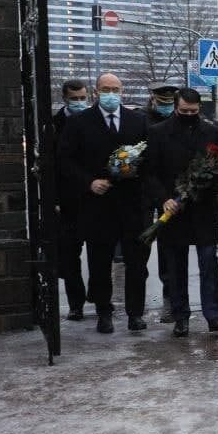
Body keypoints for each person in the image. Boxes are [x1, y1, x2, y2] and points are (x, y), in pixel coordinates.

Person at [57, 72, 151, 333]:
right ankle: (103, 311)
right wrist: (89, 182)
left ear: (122, 91)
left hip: (131, 203)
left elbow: (149, 157)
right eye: (106, 89)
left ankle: (135, 313)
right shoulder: (80, 122)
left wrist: (137, 173)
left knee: (136, 262)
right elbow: (65, 160)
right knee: (99, 262)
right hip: (97, 204)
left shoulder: (137, 121)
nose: (111, 94)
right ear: (97, 92)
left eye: (116, 89)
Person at [143, 88, 218, 337]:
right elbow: (150, 173)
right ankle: (181, 316)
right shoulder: (158, 133)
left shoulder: (211, 131)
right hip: (174, 209)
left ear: (199, 109)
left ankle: (213, 315)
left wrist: (212, 185)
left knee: (209, 262)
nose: (189, 115)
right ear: (176, 108)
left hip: (203, 208)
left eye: (193, 111)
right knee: (176, 265)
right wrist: (164, 199)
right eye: (183, 111)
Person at [53, 80, 90, 320]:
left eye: (82, 97)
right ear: (65, 98)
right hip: (67, 200)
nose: (79, 102)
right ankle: (76, 303)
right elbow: (52, 165)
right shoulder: (54, 125)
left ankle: (100, 295)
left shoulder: (94, 121)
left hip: (94, 196)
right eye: (74, 98)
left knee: (100, 250)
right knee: (69, 253)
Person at [147, 81, 180, 323]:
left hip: (174, 194)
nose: (167, 107)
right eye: (163, 102)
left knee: (170, 247)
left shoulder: (180, 122)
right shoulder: (143, 120)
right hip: (148, 192)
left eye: (171, 103)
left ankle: (171, 297)